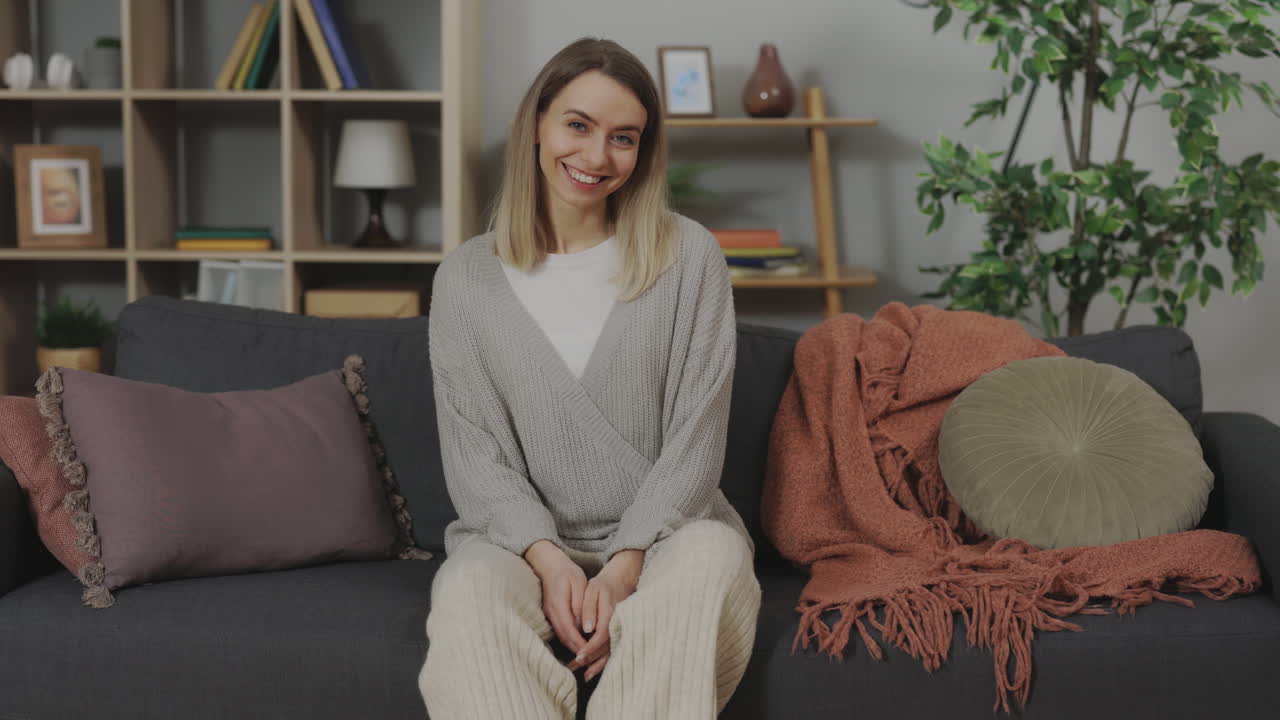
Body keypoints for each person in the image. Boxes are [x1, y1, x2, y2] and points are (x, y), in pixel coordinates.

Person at [418, 37, 761, 719]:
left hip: (669, 536)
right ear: (537, 125)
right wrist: (548, 562)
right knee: (465, 590)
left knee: (709, 560)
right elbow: (475, 455)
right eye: (578, 125)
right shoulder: (465, 278)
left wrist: (626, 563)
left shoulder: (689, 257)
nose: (598, 156)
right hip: (519, 543)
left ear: (642, 151)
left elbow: (696, 438)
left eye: (623, 138)